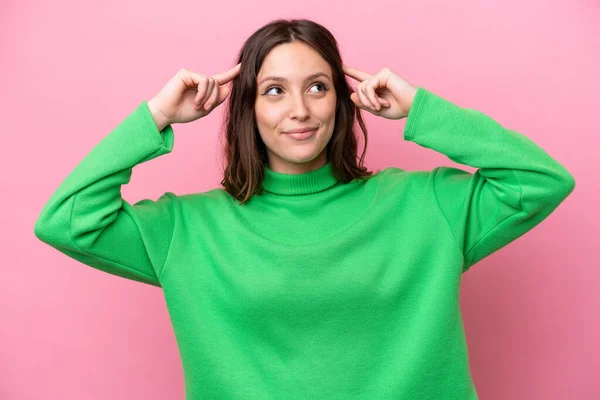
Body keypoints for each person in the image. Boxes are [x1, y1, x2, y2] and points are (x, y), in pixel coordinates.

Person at [34, 18, 575, 400]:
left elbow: (541, 180)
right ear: (244, 106)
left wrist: (421, 109)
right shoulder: (187, 229)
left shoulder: (424, 204)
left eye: (318, 87)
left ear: (341, 100)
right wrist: (156, 115)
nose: (299, 110)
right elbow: (65, 221)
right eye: (273, 90)